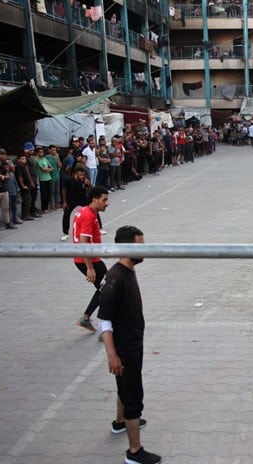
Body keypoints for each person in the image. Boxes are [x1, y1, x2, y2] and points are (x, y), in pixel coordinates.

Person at [98, 226, 162, 464]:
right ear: (125, 247)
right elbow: (104, 321)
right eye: (139, 244)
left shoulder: (125, 270)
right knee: (133, 393)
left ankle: (120, 422)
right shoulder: (116, 278)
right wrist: (112, 354)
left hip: (132, 343)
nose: (143, 249)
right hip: (125, 348)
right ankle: (134, 452)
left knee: (124, 385)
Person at [73, 186, 109, 332]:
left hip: (87, 259)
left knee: (104, 290)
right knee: (108, 291)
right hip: (88, 260)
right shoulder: (88, 216)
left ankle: (87, 318)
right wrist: (89, 268)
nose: (107, 203)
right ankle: (104, 328)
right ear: (94, 200)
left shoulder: (84, 211)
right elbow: (83, 243)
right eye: (104, 200)